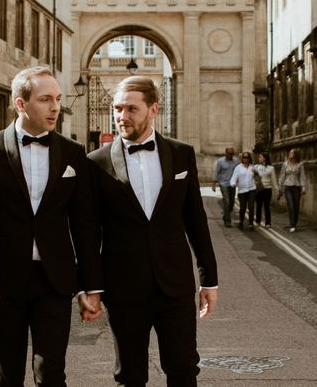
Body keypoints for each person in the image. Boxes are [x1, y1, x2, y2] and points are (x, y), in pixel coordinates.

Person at [0, 66, 103, 386]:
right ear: (20, 104)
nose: (55, 107)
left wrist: (88, 287)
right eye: (45, 100)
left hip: (54, 281)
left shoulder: (72, 152)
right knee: (8, 375)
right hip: (5, 281)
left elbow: (84, 224)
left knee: (52, 374)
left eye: (58, 99)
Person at [87, 76, 218, 387]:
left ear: (153, 109)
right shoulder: (95, 162)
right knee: (130, 375)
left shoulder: (181, 153)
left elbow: (195, 220)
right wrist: (90, 287)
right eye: (117, 108)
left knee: (183, 369)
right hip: (123, 287)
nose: (121, 116)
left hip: (174, 285)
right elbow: (89, 232)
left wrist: (209, 279)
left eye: (131, 109)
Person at [278, 148, 306, 232]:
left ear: (295, 154)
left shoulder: (300, 164)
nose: (290, 154)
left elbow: (302, 176)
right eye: (290, 152)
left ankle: (294, 223)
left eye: (291, 153)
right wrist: (280, 186)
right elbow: (282, 175)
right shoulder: (285, 164)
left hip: (297, 187)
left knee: (296, 206)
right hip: (287, 187)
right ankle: (292, 225)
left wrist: (303, 187)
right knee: (291, 205)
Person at [212, 146, 240, 228]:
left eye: (232, 153)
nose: (231, 155)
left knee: (231, 203)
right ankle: (228, 221)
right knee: (227, 201)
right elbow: (216, 172)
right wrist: (214, 184)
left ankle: (225, 215)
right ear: (226, 153)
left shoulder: (236, 162)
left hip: (232, 184)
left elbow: (240, 171)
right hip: (223, 183)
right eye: (229, 153)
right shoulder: (220, 161)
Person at [228, 151, 257, 230]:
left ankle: (251, 224)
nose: (245, 159)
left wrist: (257, 173)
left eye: (247, 157)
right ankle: (241, 221)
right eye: (244, 157)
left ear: (249, 158)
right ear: (242, 158)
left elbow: (259, 176)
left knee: (251, 207)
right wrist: (233, 183)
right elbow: (234, 178)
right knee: (243, 207)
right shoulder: (238, 167)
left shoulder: (252, 167)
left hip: (252, 189)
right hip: (242, 191)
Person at [254, 152, 278, 228]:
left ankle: (268, 223)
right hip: (259, 189)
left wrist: (277, 190)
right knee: (259, 206)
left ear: (265, 158)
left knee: (267, 206)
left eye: (260, 157)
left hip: (267, 189)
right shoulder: (256, 167)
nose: (259, 158)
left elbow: (274, 180)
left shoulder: (271, 168)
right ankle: (258, 221)